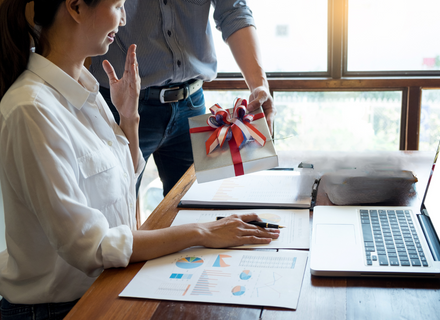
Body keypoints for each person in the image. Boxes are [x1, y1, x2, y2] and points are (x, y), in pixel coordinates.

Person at [0, 0, 279, 319]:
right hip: (57, 308)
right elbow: (91, 247)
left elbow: (120, 179)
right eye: (118, 5)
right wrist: (203, 232)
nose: (122, 19)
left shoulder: (84, 88)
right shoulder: (31, 109)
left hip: (103, 285)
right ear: (76, 8)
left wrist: (128, 117)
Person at [90, 0, 276, 196]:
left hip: (191, 103)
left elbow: (233, 10)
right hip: (121, 104)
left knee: (195, 208)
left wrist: (259, 85)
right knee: (116, 203)